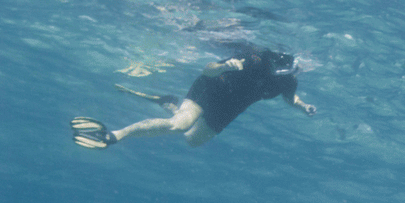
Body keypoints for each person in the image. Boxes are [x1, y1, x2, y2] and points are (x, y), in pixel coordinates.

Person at [70, 47, 314, 150]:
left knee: (192, 141)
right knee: (179, 125)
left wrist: (303, 107)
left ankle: (171, 103)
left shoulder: (288, 81)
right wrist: (223, 66)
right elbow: (207, 70)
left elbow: (290, 98)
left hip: (230, 108)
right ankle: (115, 135)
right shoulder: (254, 58)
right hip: (212, 88)